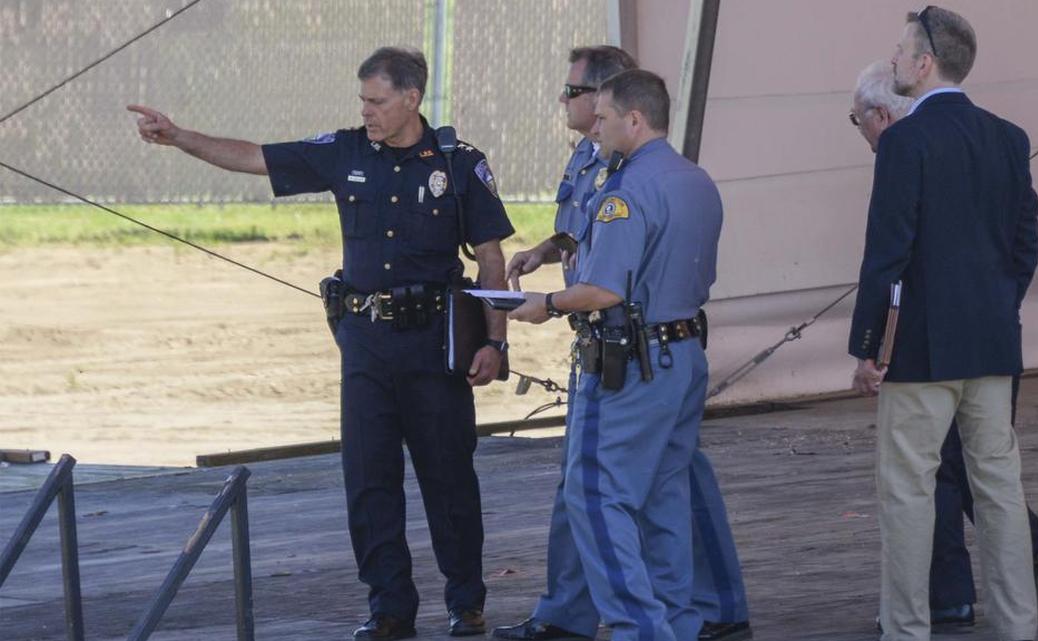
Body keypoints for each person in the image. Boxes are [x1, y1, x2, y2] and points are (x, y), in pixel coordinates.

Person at [129, 47, 514, 640]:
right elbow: (254, 157)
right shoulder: (344, 151)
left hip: (434, 346)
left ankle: (466, 602)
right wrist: (179, 137)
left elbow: (490, 259)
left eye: (377, 101)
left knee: (448, 479)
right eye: (362, 100)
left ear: (411, 99)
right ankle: (389, 609)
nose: (367, 112)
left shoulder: (459, 165)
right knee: (368, 480)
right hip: (364, 344)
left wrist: (496, 344)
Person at [497, 48, 750, 641]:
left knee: (596, 497)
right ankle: (679, 624)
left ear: (634, 120)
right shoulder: (696, 179)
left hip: (625, 365)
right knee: (663, 496)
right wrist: (555, 248)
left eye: (604, 117)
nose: (596, 128)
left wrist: (546, 305)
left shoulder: (624, 190)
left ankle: (640, 628)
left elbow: (604, 289)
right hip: (681, 354)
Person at [850, 61, 1038, 631]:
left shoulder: (904, 141)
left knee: (908, 492)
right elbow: (1026, 241)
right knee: (998, 486)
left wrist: (868, 347)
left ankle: (907, 628)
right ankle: (1018, 626)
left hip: (920, 351)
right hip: (992, 343)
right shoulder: (1008, 136)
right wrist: (997, 306)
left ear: (925, 61)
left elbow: (886, 254)